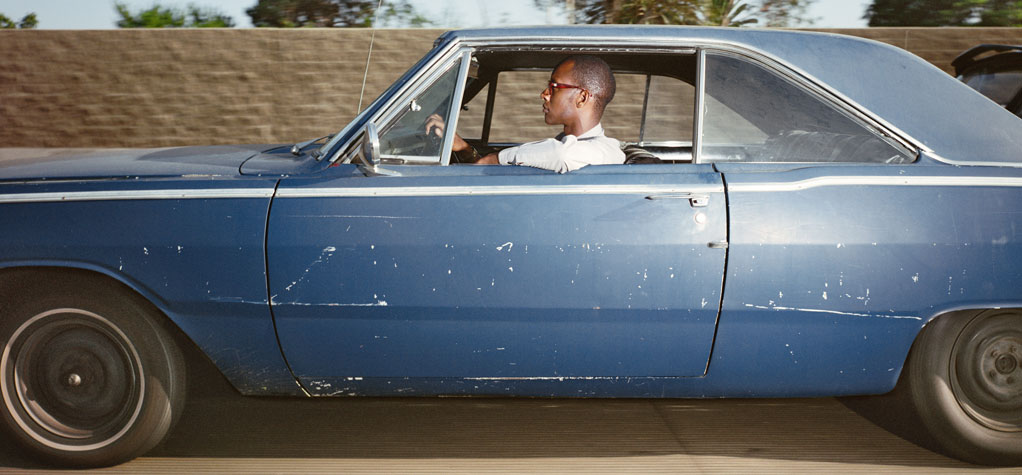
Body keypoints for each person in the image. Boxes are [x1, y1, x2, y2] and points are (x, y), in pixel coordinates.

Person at [426, 54, 625, 173]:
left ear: (582, 98)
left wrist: (493, 159)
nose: (544, 95)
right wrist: (463, 148)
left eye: (554, 87)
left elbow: (561, 154)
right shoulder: (565, 144)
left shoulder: (606, 150)